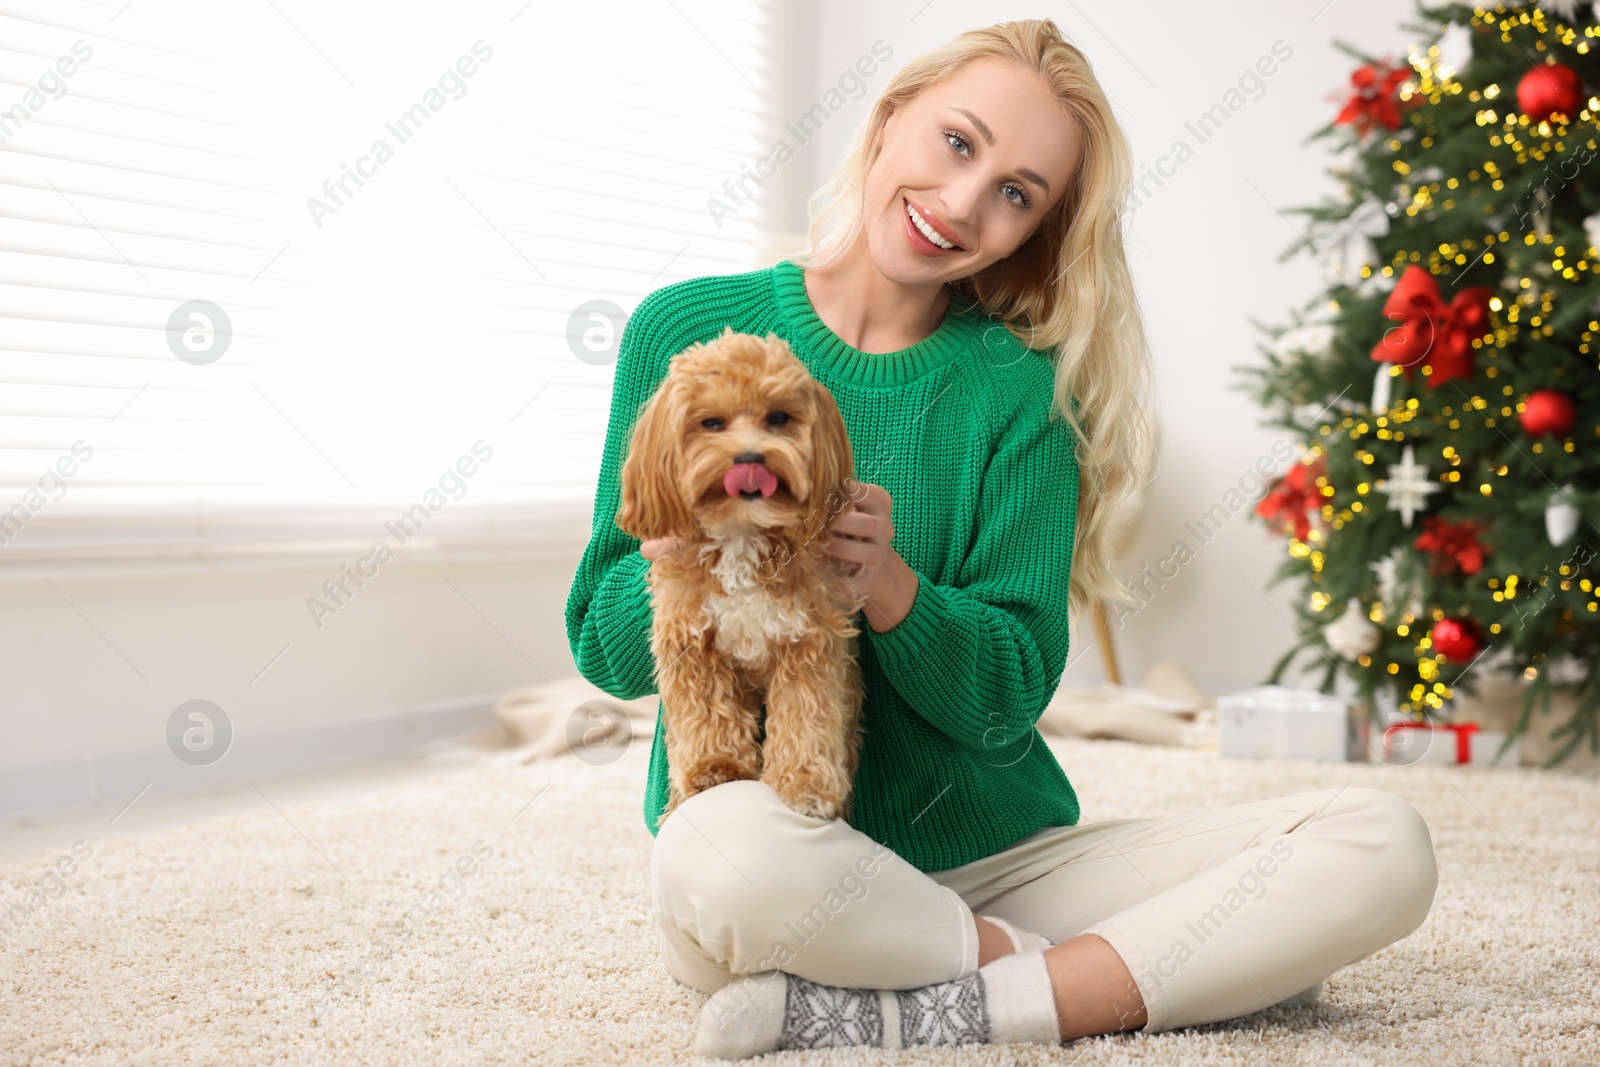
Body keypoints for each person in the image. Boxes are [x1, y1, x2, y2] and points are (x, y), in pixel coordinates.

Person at [564, 17, 1438, 1058]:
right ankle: (1089, 970)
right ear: (891, 123)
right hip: (787, 861)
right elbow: (601, 647)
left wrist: (890, 588)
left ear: (1034, 231)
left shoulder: (1019, 388)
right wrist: (682, 553)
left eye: (1016, 193)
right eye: (957, 143)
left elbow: (1009, 694)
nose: (963, 203)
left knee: (1381, 843)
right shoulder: (685, 329)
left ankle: (970, 997)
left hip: (999, 859)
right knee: (714, 854)